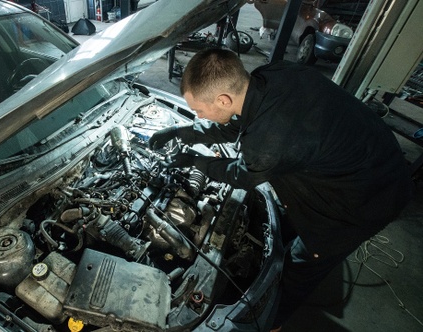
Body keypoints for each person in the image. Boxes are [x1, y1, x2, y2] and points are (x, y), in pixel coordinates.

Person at [148, 48, 414, 331]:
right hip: (371, 153)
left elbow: (240, 175)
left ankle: (274, 322)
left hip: (368, 198)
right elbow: (234, 125)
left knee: (303, 261)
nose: (198, 114)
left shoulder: (268, 141)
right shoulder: (272, 74)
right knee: (289, 225)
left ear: (223, 99)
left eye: (198, 109)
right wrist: (182, 132)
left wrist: (195, 161)